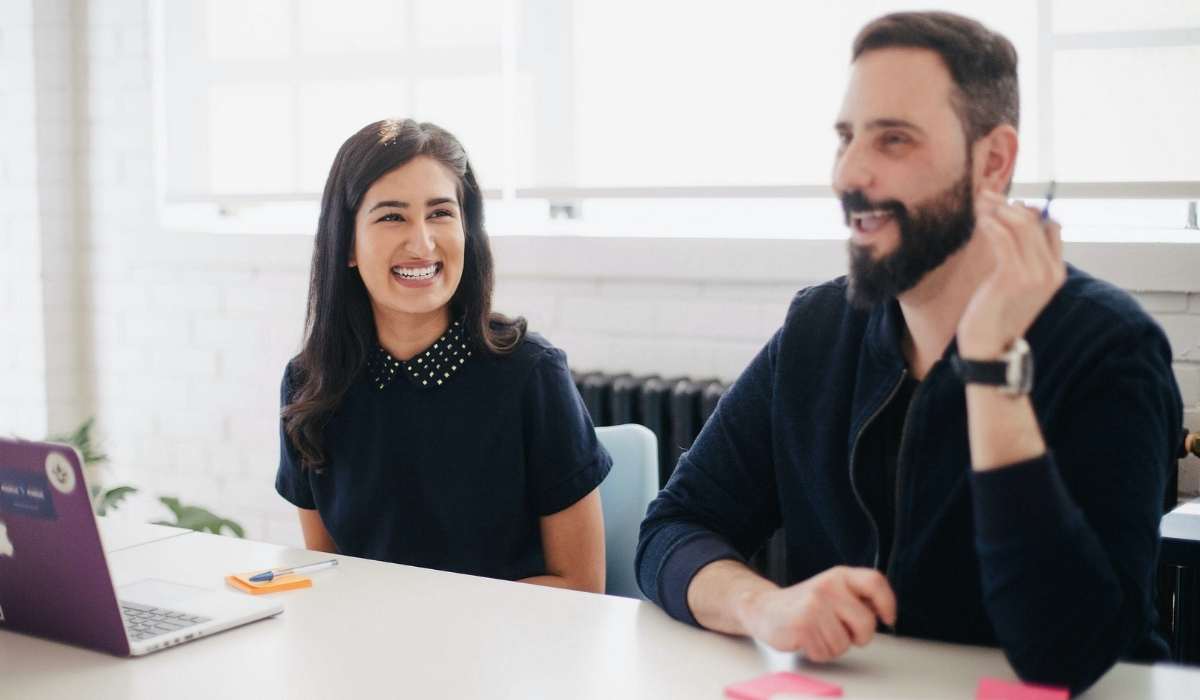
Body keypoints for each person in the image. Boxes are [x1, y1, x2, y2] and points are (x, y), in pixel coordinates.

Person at [636, 11, 1181, 693]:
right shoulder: (819, 328)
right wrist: (764, 604)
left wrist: (991, 369)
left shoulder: (1111, 349)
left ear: (992, 162)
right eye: (846, 138)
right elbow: (672, 529)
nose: (850, 173)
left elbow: (1067, 654)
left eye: (894, 140)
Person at [276, 119, 610, 593]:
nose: (422, 243)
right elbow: (329, 571)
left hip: (512, 651)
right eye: (392, 217)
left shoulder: (530, 374)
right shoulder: (310, 382)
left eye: (440, 213)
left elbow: (581, 585)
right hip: (369, 648)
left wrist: (426, 623)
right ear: (347, 243)